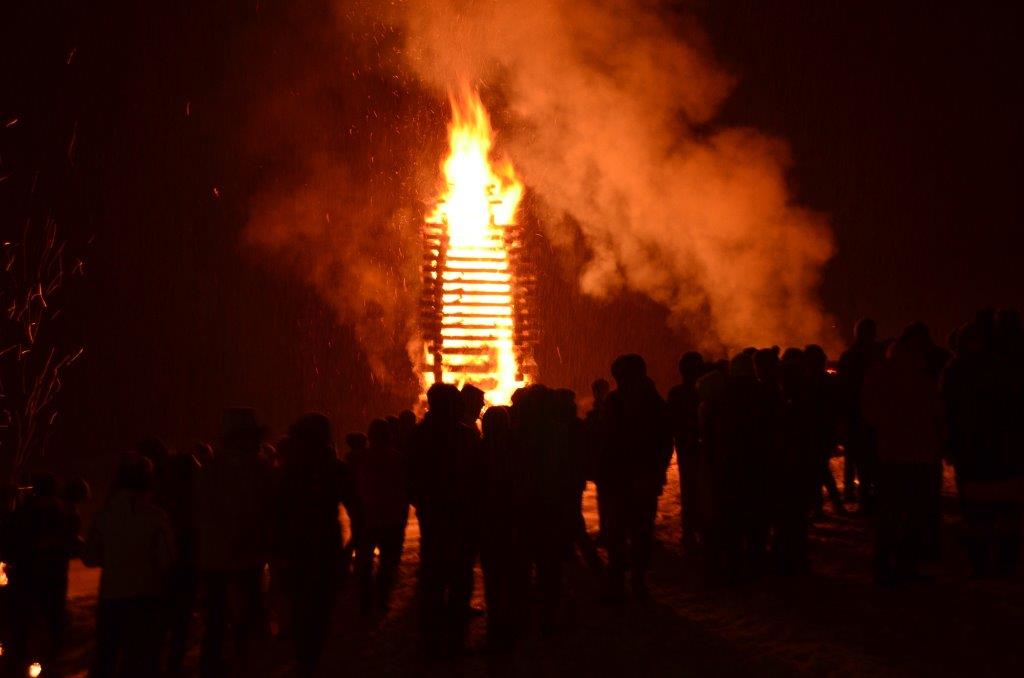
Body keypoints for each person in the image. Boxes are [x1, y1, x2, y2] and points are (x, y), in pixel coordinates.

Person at [862, 327, 944, 587]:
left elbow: (870, 411)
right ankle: (896, 567)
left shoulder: (886, 373)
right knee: (905, 515)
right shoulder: (914, 375)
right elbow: (935, 411)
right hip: (909, 454)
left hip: (898, 453)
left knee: (896, 515)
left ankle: (890, 568)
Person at [196, 408, 274, 677]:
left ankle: (226, 665)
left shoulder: (213, 470)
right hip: (235, 557)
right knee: (232, 620)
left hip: (224, 557)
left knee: (223, 621)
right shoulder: (254, 469)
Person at [83, 453, 175, 677]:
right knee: (141, 659)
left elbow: (90, 557)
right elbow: (167, 559)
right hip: (146, 596)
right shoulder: (156, 517)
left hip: (112, 595)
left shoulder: (104, 516)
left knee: (107, 654)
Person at [941, 321, 1021, 577]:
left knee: (981, 509)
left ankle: (984, 560)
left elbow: (947, 411)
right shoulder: (998, 367)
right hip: (993, 450)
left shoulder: (957, 370)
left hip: (979, 451)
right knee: (997, 508)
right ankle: (999, 560)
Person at [408, 383, 482, 657]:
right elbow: (478, 477)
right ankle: (453, 640)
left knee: (434, 576)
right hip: (459, 516)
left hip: (435, 515)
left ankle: (430, 639)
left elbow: (410, 477)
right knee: (459, 575)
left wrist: (424, 503)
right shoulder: (465, 436)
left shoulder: (419, 436)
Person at [275, 413, 348, 672]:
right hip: (325, 545)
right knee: (321, 605)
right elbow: (356, 509)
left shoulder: (288, 471)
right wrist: (352, 546)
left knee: (301, 603)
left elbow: (277, 513)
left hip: (297, 546)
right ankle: (311, 655)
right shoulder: (335, 469)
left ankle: (303, 655)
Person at [598, 354, 672, 601]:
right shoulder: (654, 402)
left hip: (624, 479)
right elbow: (665, 442)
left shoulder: (616, 401)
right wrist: (657, 472)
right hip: (640, 479)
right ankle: (635, 581)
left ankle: (620, 581)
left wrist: (605, 472)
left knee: (621, 532)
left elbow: (607, 441)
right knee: (640, 531)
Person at [6, 473, 82, 672]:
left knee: (25, 620)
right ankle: (52, 660)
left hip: (27, 574)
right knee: (53, 618)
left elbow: (10, 540)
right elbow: (72, 537)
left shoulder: (24, 511)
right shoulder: (64, 510)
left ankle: (20, 660)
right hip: (55, 573)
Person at [479, 406, 530, 650]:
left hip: (490, 522)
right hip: (513, 519)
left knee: (494, 575)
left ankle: (497, 624)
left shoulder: (479, 450)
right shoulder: (517, 449)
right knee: (514, 572)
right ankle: (515, 623)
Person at [349, 418, 408, 615]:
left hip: (368, 518)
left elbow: (352, 489)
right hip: (390, 519)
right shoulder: (397, 459)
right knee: (387, 564)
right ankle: (381, 601)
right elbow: (404, 490)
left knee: (365, 563)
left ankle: (366, 602)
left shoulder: (360, 458)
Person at [838, 318, 885, 509]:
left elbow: (843, 389)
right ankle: (873, 497)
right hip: (874, 417)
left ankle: (858, 494)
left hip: (856, 416)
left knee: (856, 458)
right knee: (874, 460)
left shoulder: (849, 356)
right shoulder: (880, 355)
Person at [667, 351, 705, 550]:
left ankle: (689, 531)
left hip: (686, 447)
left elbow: (669, 423)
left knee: (689, 489)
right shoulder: (706, 392)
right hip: (704, 447)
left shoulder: (677, 393)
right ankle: (703, 531)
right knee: (704, 489)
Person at [585, 378, 611, 545]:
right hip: (606, 463)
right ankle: (608, 531)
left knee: (607, 500)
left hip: (607, 462)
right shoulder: (598, 412)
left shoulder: (603, 413)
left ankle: (608, 532)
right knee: (606, 500)